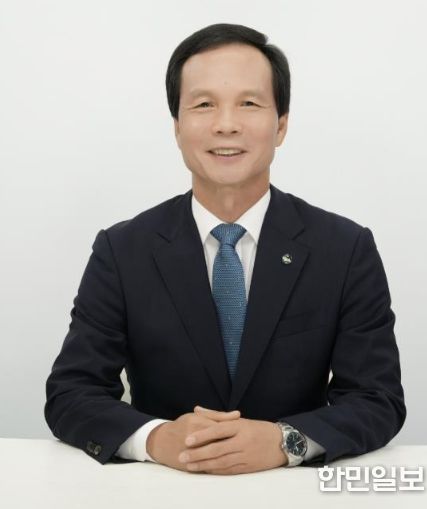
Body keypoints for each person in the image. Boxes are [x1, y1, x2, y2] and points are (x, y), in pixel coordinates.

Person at [44, 23, 406, 475]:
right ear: (177, 127)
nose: (226, 124)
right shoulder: (122, 250)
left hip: (292, 492)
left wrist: (285, 441)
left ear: (281, 125)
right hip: (162, 489)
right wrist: (156, 439)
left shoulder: (345, 248)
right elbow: (71, 393)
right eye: (204, 105)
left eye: (249, 104)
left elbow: (377, 399)